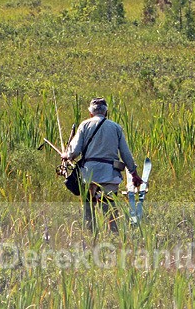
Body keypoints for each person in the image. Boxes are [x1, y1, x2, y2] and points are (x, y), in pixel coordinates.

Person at [61, 97, 143, 232]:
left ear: (90, 113)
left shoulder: (84, 125)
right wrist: (134, 173)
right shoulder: (116, 127)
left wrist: (66, 155)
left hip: (89, 175)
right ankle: (114, 235)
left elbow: (74, 151)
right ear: (106, 112)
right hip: (110, 174)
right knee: (110, 210)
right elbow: (125, 154)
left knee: (89, 210)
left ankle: (91, 236)